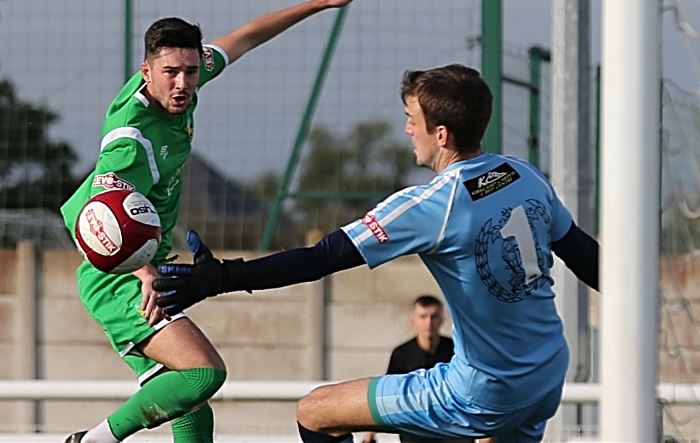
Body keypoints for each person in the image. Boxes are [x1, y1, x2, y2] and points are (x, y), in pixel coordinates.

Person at [153, 63, 600, 443]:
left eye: (412, 118)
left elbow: (322, 257)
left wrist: (223, 278)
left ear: (440, 134)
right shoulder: (522, 175)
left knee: (316, 412)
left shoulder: (433, 205)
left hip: (483, 390)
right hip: (545, 373)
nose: (407, 128)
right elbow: (587, 257)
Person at [59, 1, 352, 442]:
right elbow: (92, 218)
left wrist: (319, 4)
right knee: (204, 374)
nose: (183, 84)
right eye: (171, 73)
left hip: (142, 271)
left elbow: (248, 36)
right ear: (146, 71)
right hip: (118, 279)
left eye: (191, 72)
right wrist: (142, 269)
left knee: (188, 402)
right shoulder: (130, 141)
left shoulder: (186, 77)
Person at [363, 295, 474, 443]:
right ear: (413, 321)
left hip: (452, 428)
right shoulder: (401, 353)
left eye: (434, 316)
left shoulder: (457, 350)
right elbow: (386, 392)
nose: (429, 322)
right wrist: (370, 432)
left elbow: (471, 390)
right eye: (423, 317)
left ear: (442, 320)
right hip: (415, 429)